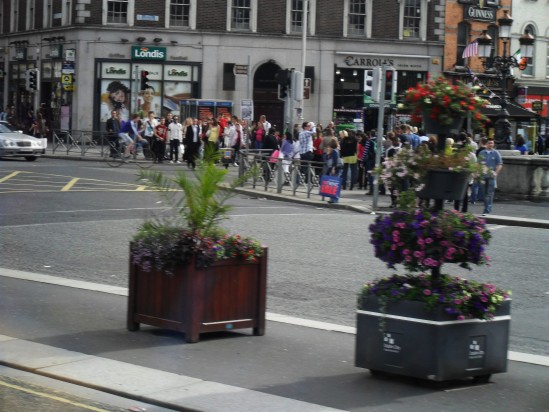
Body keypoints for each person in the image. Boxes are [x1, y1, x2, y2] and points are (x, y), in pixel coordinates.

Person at [477, 139, 503, 216]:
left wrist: (496, 173)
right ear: (486, 144)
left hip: (491, 176)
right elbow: (478, 164)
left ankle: (487, 209)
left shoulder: (496, 153)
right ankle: (487, 207)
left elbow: (500, 164)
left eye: (492, 143)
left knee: (489, 193)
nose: (490, 144)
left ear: (493, 144)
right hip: (483, 176)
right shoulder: (482, 153)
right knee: (484, 193)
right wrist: (478, 172)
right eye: (489, 143)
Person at [323, 139, 342, 204]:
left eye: (329, 146)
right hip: (336, 169)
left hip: (335, 169)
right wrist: (328, 154)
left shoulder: (334, 151)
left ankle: (334, 199)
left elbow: (335, 160)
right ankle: (332, 199)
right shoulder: (336, 150)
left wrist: (333, 168)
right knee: (333, 184)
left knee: (334, 184)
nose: (328, 147)